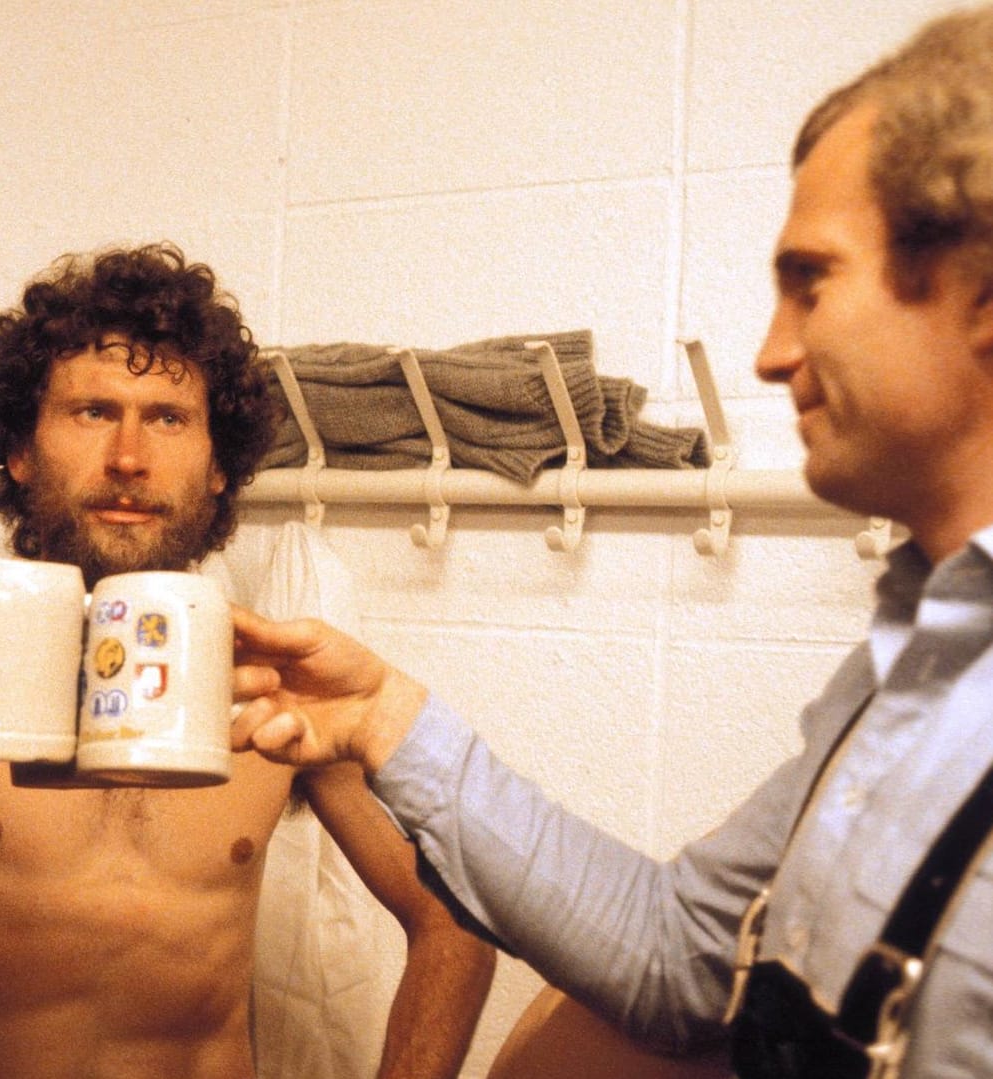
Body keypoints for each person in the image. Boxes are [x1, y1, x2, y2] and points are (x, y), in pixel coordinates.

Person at [229, 7, 993, 1078]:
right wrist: (386, 719)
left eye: (809, 281)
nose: (773, 354)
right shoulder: (912, 661)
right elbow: (681, 955)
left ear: (978, 285)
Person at [0, 242, 496, 1078]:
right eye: (93, 412)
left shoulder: (270, 685)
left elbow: (457, 921)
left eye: (168, 418)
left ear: (219, 467)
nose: (130, 458)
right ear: (21, 451)